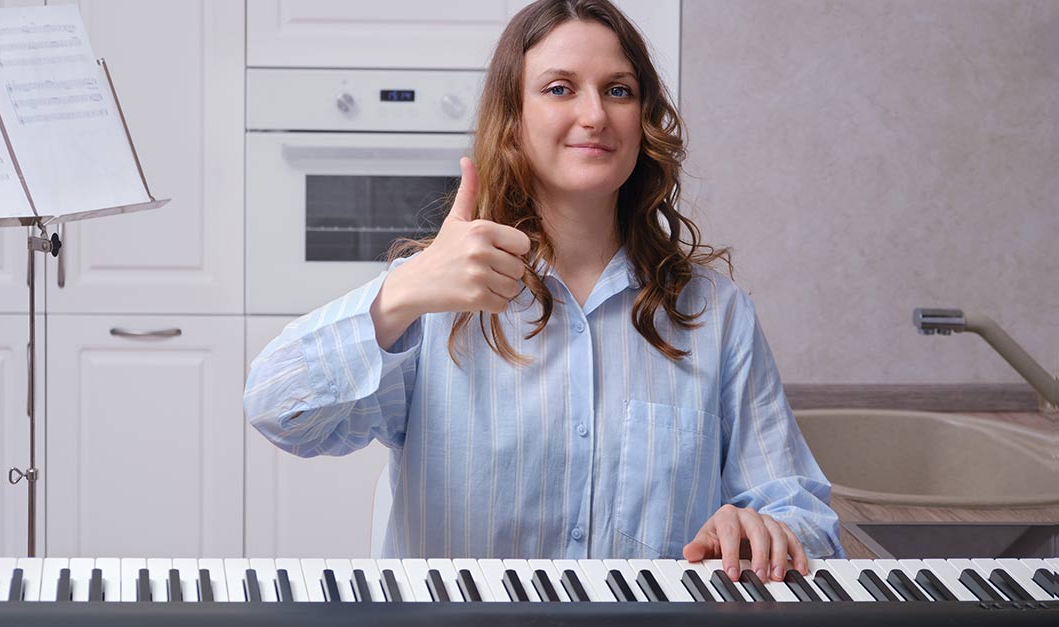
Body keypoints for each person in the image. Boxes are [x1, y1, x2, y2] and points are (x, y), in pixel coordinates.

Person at [245, 0, 843, 584]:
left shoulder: (716, 314)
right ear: (514, 118)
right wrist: (404, 290)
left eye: (618, 90)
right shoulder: (435, 298)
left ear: (644, 120)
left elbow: (807, 521)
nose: (594, 116)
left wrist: (764, 529)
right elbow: (278, 411)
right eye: (559, 88)